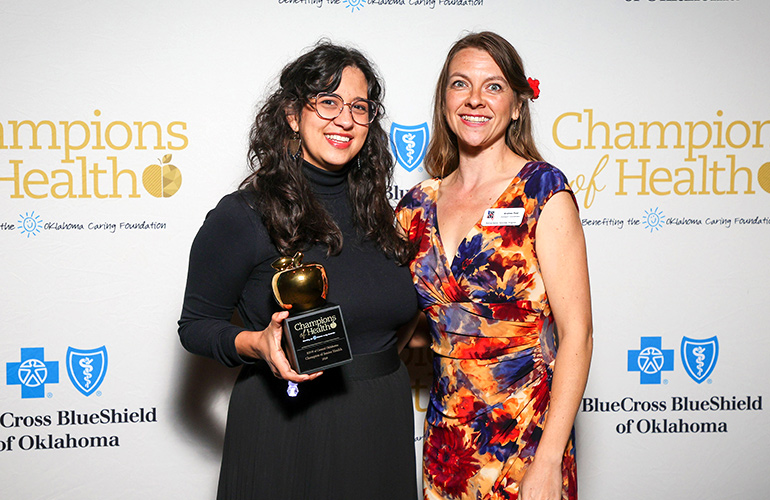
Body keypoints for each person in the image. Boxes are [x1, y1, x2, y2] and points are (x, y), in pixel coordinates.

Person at [178, 41, 419, 500]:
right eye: (327, 102)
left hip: (380, 418)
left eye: (359, 106)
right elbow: (195, 326)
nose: (344, 120)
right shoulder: (244, 213)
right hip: (288, 423)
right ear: (292, 114)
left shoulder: (384, 215)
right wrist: (257, 343)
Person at [396, 32, 593, 500]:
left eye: (494, 86)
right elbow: (404, 322)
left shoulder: (542, 191)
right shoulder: (415, 207)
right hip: (449, 445)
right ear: (444, 98)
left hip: (526, 437)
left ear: (518, 105)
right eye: (460, 84)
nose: (475, 100)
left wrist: (547, 462)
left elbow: (578, 335)